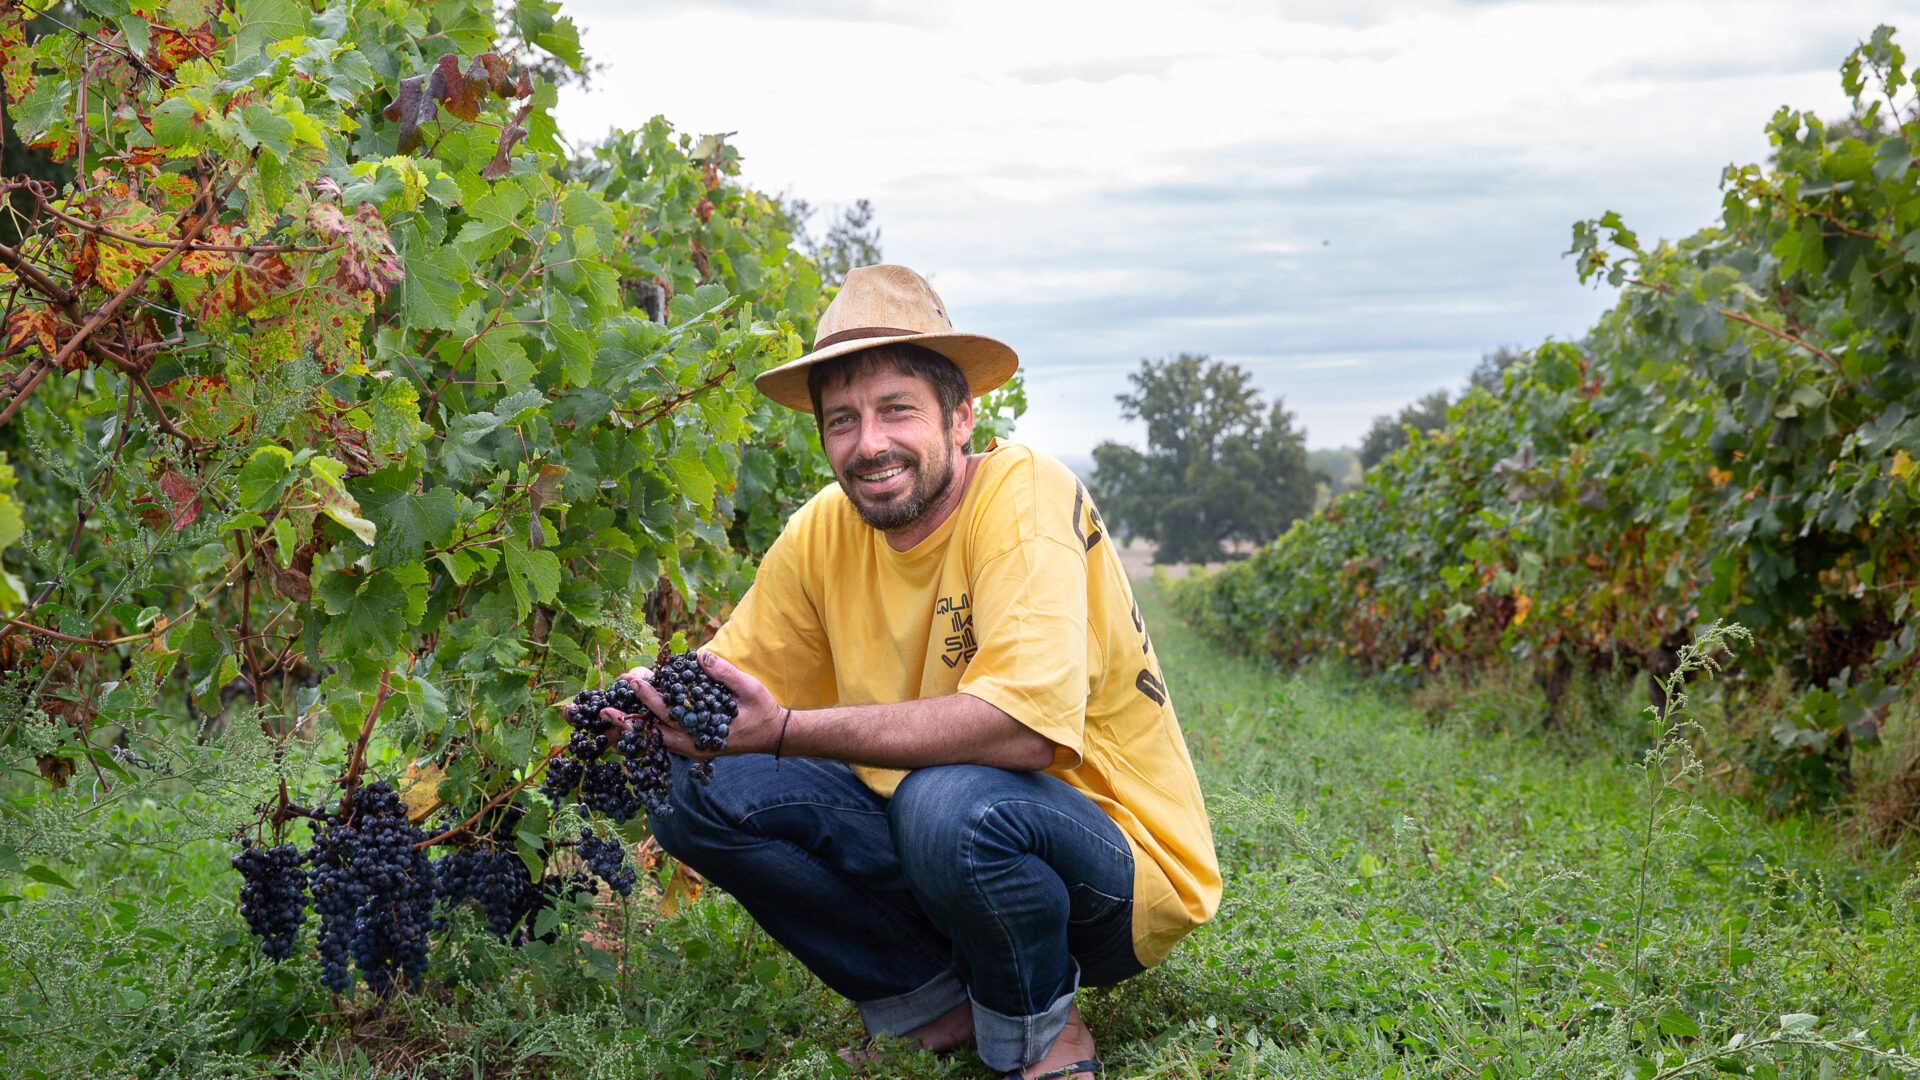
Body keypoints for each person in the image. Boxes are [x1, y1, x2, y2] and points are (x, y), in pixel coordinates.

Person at [607, 264, 1220, 1080]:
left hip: (1110, 869)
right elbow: (726, 692)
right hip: (932, 841)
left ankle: (1043, 1029)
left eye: (897, 409)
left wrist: (788, 732)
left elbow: (1023, 730)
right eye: (842, 422)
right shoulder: (822, 530)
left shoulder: (1023, 496)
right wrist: (648, 709)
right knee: (699, 782)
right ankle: (937, 1000)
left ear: (961, 415)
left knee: (948, 802)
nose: (869, 445)